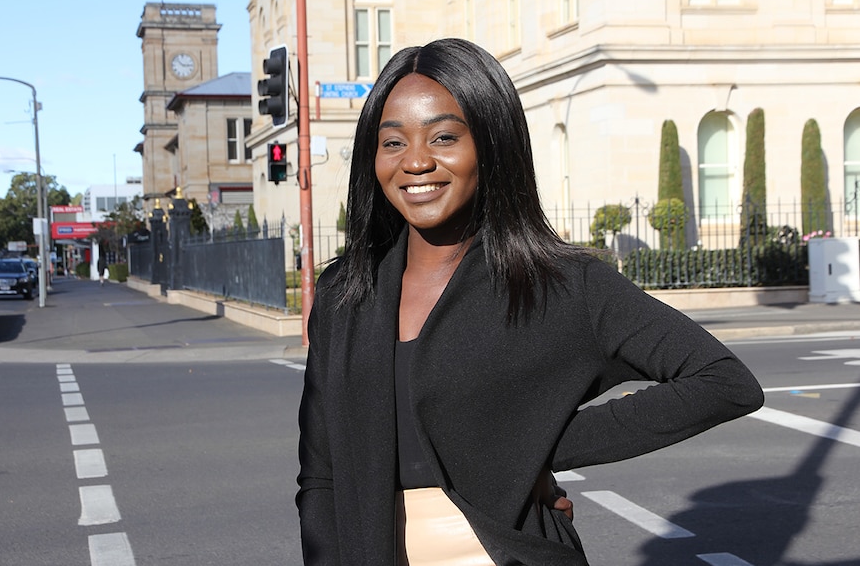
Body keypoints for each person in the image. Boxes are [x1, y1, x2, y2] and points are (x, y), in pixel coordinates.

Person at [296, 38, 764, 565]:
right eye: (392, 143)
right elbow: (321, 475)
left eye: (444, 136)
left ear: (492, 144)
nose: (417, 162)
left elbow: (723, 382)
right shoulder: (345, 295)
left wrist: (534, 447)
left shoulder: (561, 284)